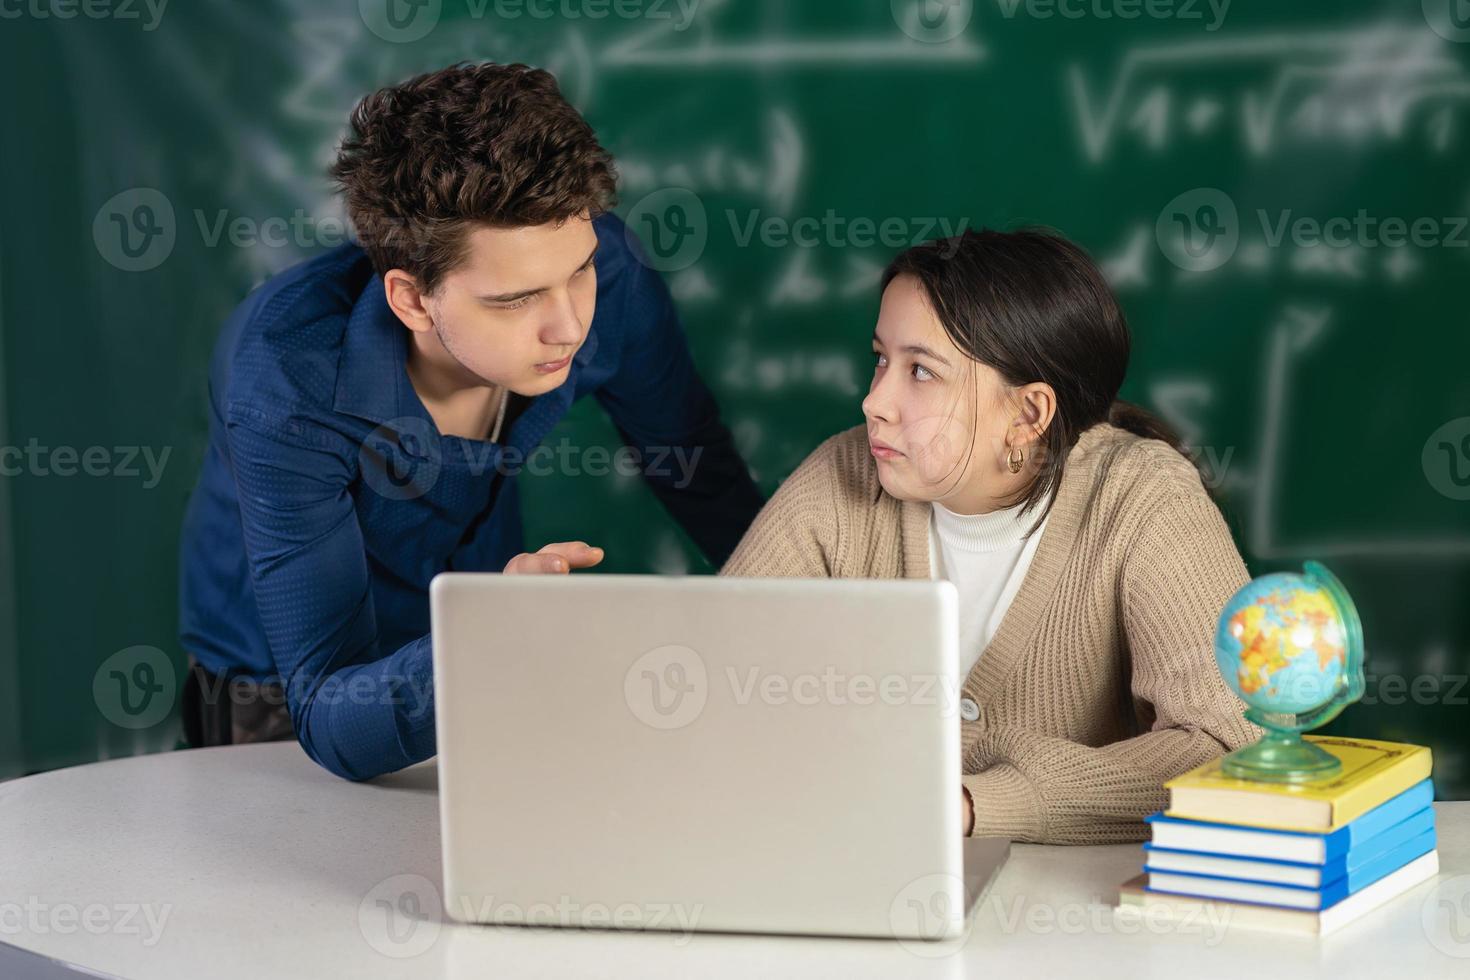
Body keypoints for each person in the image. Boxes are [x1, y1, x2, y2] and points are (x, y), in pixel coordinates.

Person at [178, 62, 763, 780]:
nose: (571, 325)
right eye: (515, 300)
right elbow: (327, 707)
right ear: (413, 301)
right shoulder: (284, 384)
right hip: (279, 686)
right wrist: (486, 636)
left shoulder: (605, 277)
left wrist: (816, 605)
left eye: (577, 270)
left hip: (488, 628)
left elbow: (696, 466)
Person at [720, 228, 1257, 844]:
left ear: (1028, 415)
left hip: (1092, 915)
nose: (875, 401)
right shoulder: (842, 474)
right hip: (864, 875)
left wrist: (977, 804)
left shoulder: (1145, 497)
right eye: (880, 360)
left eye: (920, 371)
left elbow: (1230, 747)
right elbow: (712, 682)